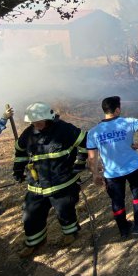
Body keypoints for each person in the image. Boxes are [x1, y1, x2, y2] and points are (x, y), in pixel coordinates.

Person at [13, 103, 87, 257]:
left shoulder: (65, 130)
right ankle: (34, 242)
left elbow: (85, 143)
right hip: (37, 184)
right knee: (31, 214)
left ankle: (70, 234)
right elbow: (20, 152)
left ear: (49, 118)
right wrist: (18, 170)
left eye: (39, 122)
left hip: (62, 181)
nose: (36, 125)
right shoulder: (28, 134)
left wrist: (79, 163)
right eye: (33, 123)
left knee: (64, 210)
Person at [86, 96, 138, 239]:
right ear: (117, 109)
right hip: (134, 167)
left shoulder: (93, 132)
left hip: (112, 173)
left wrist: (95, 174)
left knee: (117, 201)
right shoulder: (129, 122)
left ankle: (123, 230)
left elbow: (92, 158)